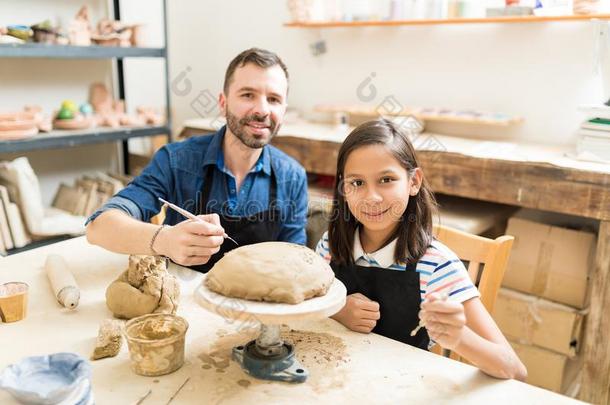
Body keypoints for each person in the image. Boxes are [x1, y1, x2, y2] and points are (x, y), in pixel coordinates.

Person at [315, 118, 526, 380]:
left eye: (386, 179)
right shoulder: (329, 246)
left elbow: (514, 370)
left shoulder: (437, 265)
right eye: (357, 183)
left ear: (414, 181)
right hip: (334, 379)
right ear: (343, 188)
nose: (372, 197)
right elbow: (308, 309)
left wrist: (459, 337)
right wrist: (337, 309)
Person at [86, 48, 308, 272]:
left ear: (284, 110)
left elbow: (296, 260)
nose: (262, 110)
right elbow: (99, 228)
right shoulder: (175, 161)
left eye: (274, 99)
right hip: (182, 301)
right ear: (223, 103)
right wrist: (166, 240)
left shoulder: (292, 176)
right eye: (247, 95)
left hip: (256, 304)